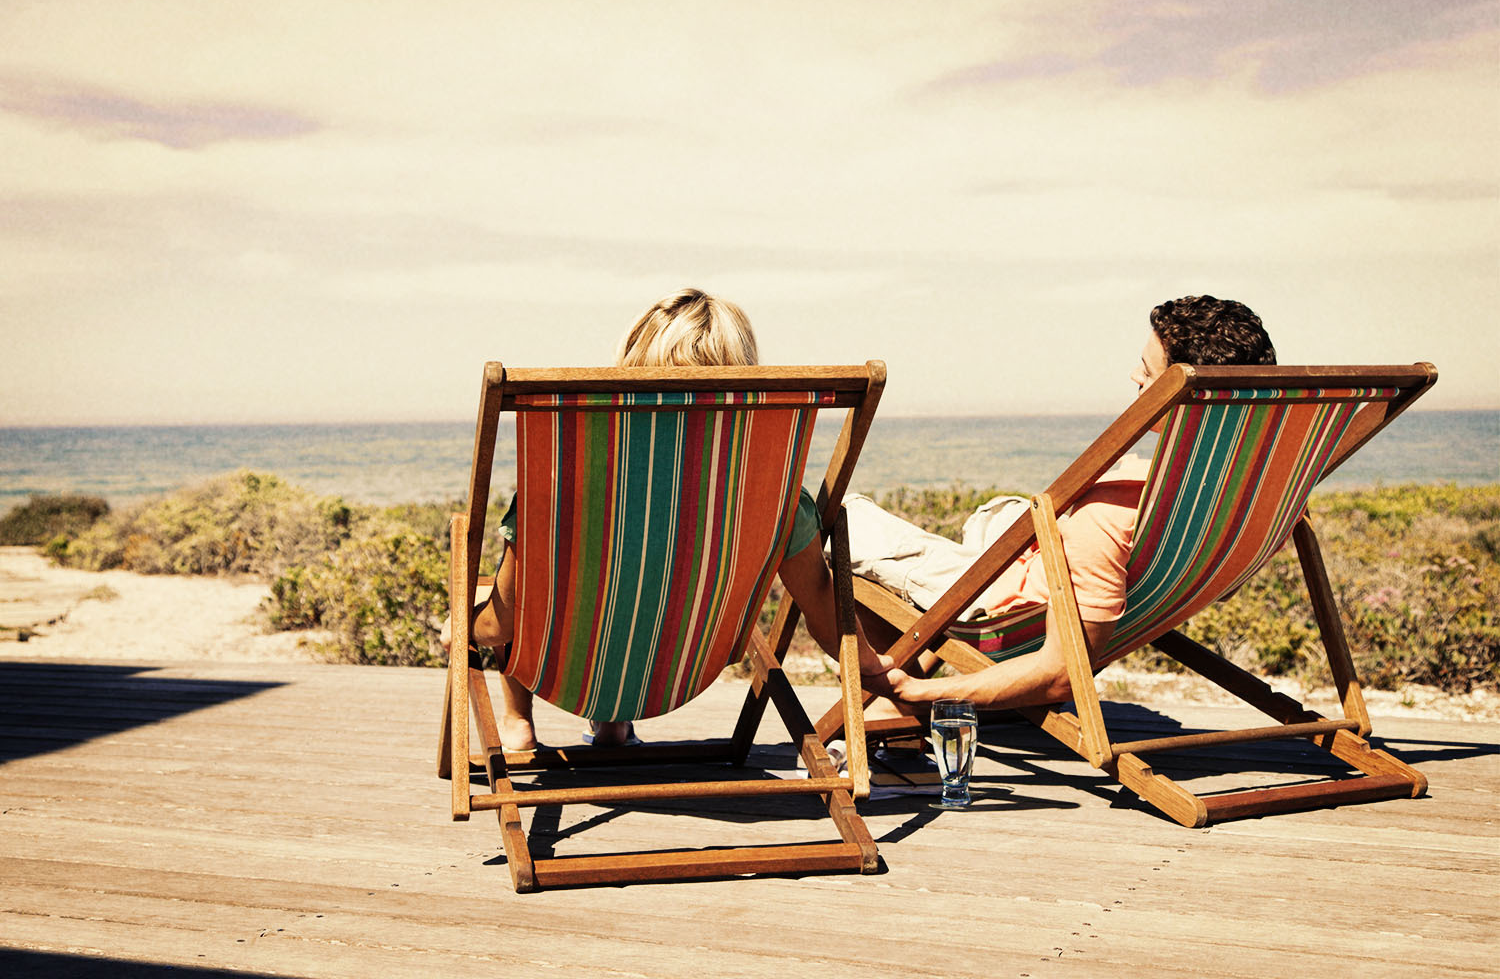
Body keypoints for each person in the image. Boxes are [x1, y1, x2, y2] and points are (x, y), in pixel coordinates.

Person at [444, 288, 890, 750]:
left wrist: (462, 627)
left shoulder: (561, 493)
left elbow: (501, 628)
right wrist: (872, 666)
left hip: (564, 675)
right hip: (678, 677)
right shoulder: (775, 496)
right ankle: (612, 727)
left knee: (501, 593)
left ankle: (519, 723)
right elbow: (821, 603)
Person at [862, 294, 1278, 711]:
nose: (1135, 376)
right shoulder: (1260, 485)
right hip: (1052, 569)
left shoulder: (1104, 517)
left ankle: (893, 708)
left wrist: (914, 692)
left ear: (1186, 397)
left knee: (843, 520)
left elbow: (1060, 675)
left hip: (1005, 604)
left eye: (1149, 372)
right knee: (997, 512)